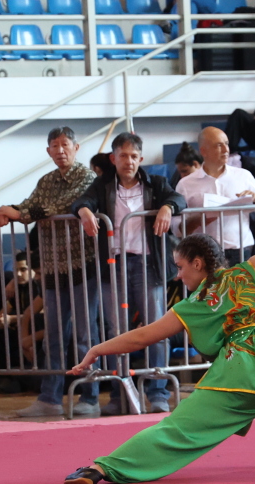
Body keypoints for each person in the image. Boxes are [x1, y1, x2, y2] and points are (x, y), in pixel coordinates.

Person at [62, 203, 255, 484]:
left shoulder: (192, 305)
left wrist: (97, 349)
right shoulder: (250, 270)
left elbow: (141, 337)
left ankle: (101, 469)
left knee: (177, 430)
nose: (178, 276)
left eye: (180, 267)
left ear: (198, 263)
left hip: (237, 376)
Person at [72, 132, 186, 415]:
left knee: (156, 328)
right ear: (113, 158)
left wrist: (167, 207)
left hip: (148, 263)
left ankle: (157, 392)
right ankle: (119, 393)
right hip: (114, 264)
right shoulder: (102, 185)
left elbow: (178, 198)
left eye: (134, 156)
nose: (129, 161)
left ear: (141, 159)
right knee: (116, 331)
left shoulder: (155, 183)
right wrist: (84, 211)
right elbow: (81, 201)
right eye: (123, 156)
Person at [0, 127, 101, 418]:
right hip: (53, 268)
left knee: (85, 336)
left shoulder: (86, 177)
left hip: (82, 265)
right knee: (53, 336)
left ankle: (90, 396)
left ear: (76, 147)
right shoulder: (46, 180)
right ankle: (50, 398)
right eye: (54, 145)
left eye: (65, 144)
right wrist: (10, 209)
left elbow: (65, 204)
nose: (60, 150)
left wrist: (22, 213)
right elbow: (32, 205)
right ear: (48, 151)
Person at [175, 127, 255, 266]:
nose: (226, 150)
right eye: (219, 145)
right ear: (204, 151)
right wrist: (196, 220)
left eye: (226, 144)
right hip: (203, 253)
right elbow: (176, 228)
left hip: (240, 251)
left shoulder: (243, 176)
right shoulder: (185, 184)